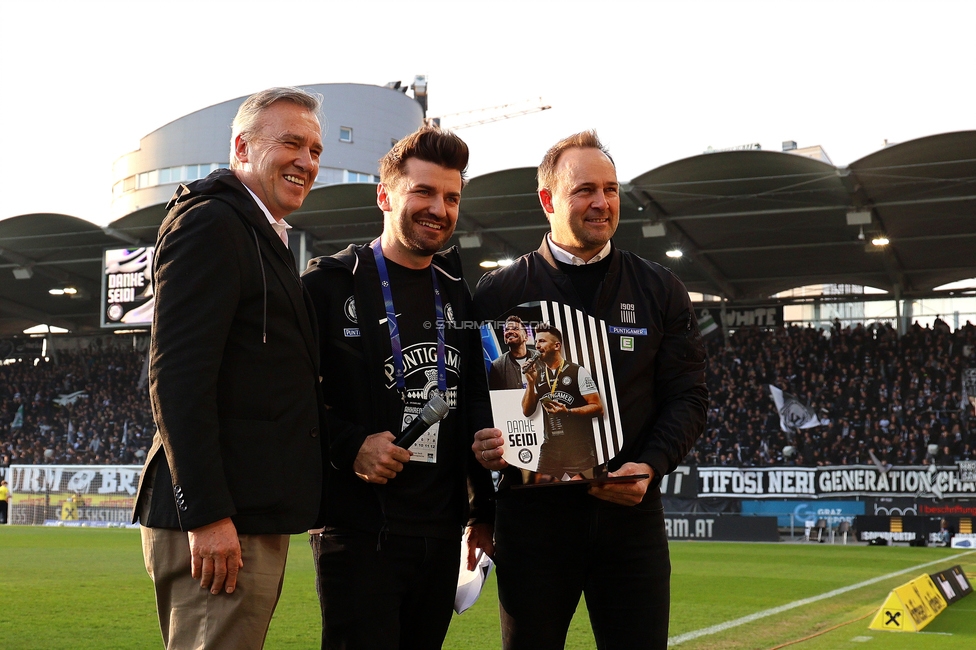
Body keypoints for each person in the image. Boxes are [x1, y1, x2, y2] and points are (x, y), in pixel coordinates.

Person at [472, 131, 708, 649]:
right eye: (584, 190)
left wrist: (651, 465)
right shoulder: (498, 294)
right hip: (531, 525)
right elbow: (475, 408)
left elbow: (689, 397)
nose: (602, 202)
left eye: (611, 188)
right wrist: (480, 483)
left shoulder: (659, 288)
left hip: (629, 518)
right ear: (548, 199)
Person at [132, 87, 325, 650]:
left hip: (246, 513)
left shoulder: (254, 229)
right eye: (291, 143)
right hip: (222, 520)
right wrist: (209, 515)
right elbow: (178, 376)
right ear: (242, 148)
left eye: (314, 149)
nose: (307, 161)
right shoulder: (212, 222)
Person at [301, 125, 496, 650]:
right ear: (385, 195)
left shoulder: (459, 294)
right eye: (424, 192)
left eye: (452, 197)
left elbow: (473, 396)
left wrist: (481, 511)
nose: (440, 208)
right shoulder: (327, 285)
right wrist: (351, 445)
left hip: (439, 535)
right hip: (360, 531)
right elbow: (289, 400)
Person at [521, 323, 603, 477]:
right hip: (550, 447)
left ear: (556, 345)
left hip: (578, 447)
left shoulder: (577, 371)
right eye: (537, 341)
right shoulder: (538, 374)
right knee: (540, 492)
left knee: (588, 493)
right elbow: (527, 411)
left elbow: (598, 407)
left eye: (542, 341)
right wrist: (531, 383)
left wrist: (568, 411)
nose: (537, 346)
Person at [489, 315, 538, 390]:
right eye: (507, 330)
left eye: (515, 329)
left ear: (526, 337)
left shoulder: (541, 359)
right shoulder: (497, 366)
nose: (510, 332)